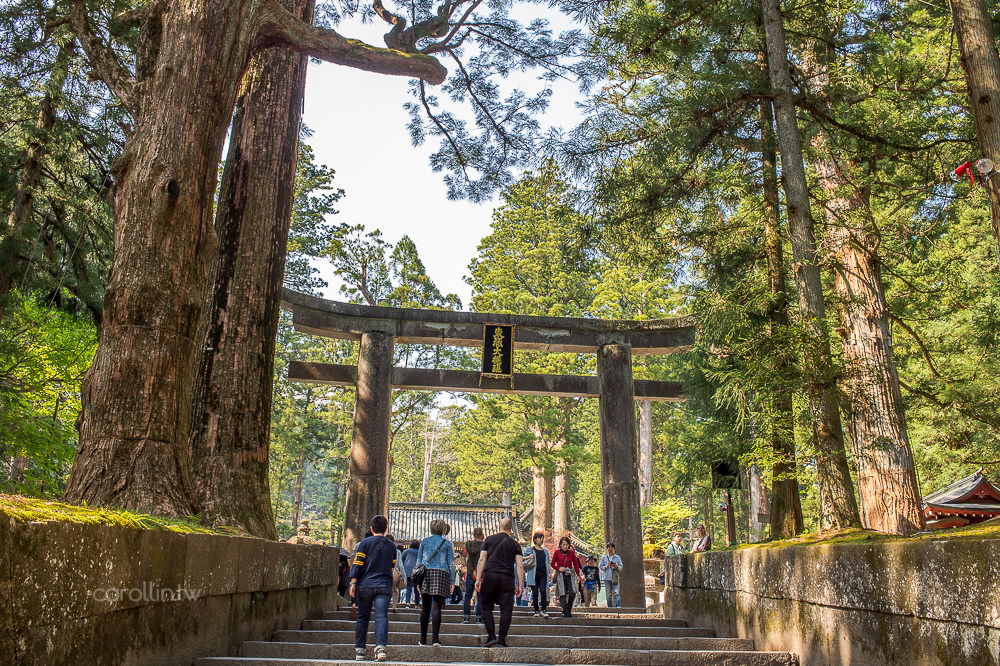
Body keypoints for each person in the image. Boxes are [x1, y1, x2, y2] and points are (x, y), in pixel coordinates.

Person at [347, 515, 396, 662]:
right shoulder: (392, 546)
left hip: (366, 585)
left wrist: (353, 581)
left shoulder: (364, 543)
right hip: (384, 585)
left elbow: (358, 562)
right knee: (381, 616)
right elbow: (392, 566)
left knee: (362, 617)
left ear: (371, 528)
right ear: (386, 528)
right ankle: (380, 648)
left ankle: (360, 650)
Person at [475, 517, 524, 648]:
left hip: (490, 576)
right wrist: (520, 584)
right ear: (510, 529)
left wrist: (478, 578)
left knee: (486, 606)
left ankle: (491, 636)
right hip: (507, 578)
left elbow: (482, 559)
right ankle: (502, 639)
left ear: (499, 527)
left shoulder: (488, 540)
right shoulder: (515, 544)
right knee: (506, 609)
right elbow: (519, 566)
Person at [416, 519, 455, 647]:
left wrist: (417, 580)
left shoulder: (424, 542)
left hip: (426, 573)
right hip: (442, 573)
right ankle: (435, 639)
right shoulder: (447, 543)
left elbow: (419, 561)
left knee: (425, 607)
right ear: (443, 529)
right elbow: (451, 564)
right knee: (437, 606)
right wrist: (452, 581)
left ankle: (422, 638)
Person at [550, 536, 582, 617]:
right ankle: (564, 610)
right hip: (561, 575)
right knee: (562, 593)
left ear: (569, 545)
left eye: (566, 544)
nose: (565, 546)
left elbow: (575, 564)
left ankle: (568, 608)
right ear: (560, 545)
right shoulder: (557, 552)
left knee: (573, 592)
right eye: (563, 544)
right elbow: (553, 563)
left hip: (569, 574)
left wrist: (578, 575)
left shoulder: (571, 553)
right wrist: (559, 568)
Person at [523, 531, 551, 618]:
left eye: (542, 538)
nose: (541, 540)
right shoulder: (531, 550)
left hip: (543, 574)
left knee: (543, 591)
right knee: (535, 593)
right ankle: (536, 610)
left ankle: (543, 610)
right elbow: (521, 558)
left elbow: (548, 562)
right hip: (533, 574)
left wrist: (549, 573)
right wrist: (529, 557)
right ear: (535, 539)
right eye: (539, 538)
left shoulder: (545, 551)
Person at [462, 527, 484, 624]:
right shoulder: (484, 545)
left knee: (468, 595)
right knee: (480, 595)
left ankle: (466, 616)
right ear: (482, 534)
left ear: (474, 535)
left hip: (471, 572)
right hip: (480, 572)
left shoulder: (468, 544)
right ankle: (479, 617)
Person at [598, 543, 623, 608]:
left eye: (611, 547)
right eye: (609, 547)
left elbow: (621, 567)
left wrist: (616, 566)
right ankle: (610, 606)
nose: (610, 549)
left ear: (614, 549)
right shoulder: (604, 557)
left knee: (616, 592)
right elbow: (600, 566)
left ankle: (618, 605)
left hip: (615, 577)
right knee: (608, 594)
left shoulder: (617, 557)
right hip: (607, 577)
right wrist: (606, 566)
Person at [401, 540, 420, 607]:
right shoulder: (419, 552)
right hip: (417, 572)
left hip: (408, 571)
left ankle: (407, 602)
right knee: (416, 588)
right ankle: (417, 604)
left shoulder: (406, 551)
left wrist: (403, 567)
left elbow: (401, 559)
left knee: (408, 588)